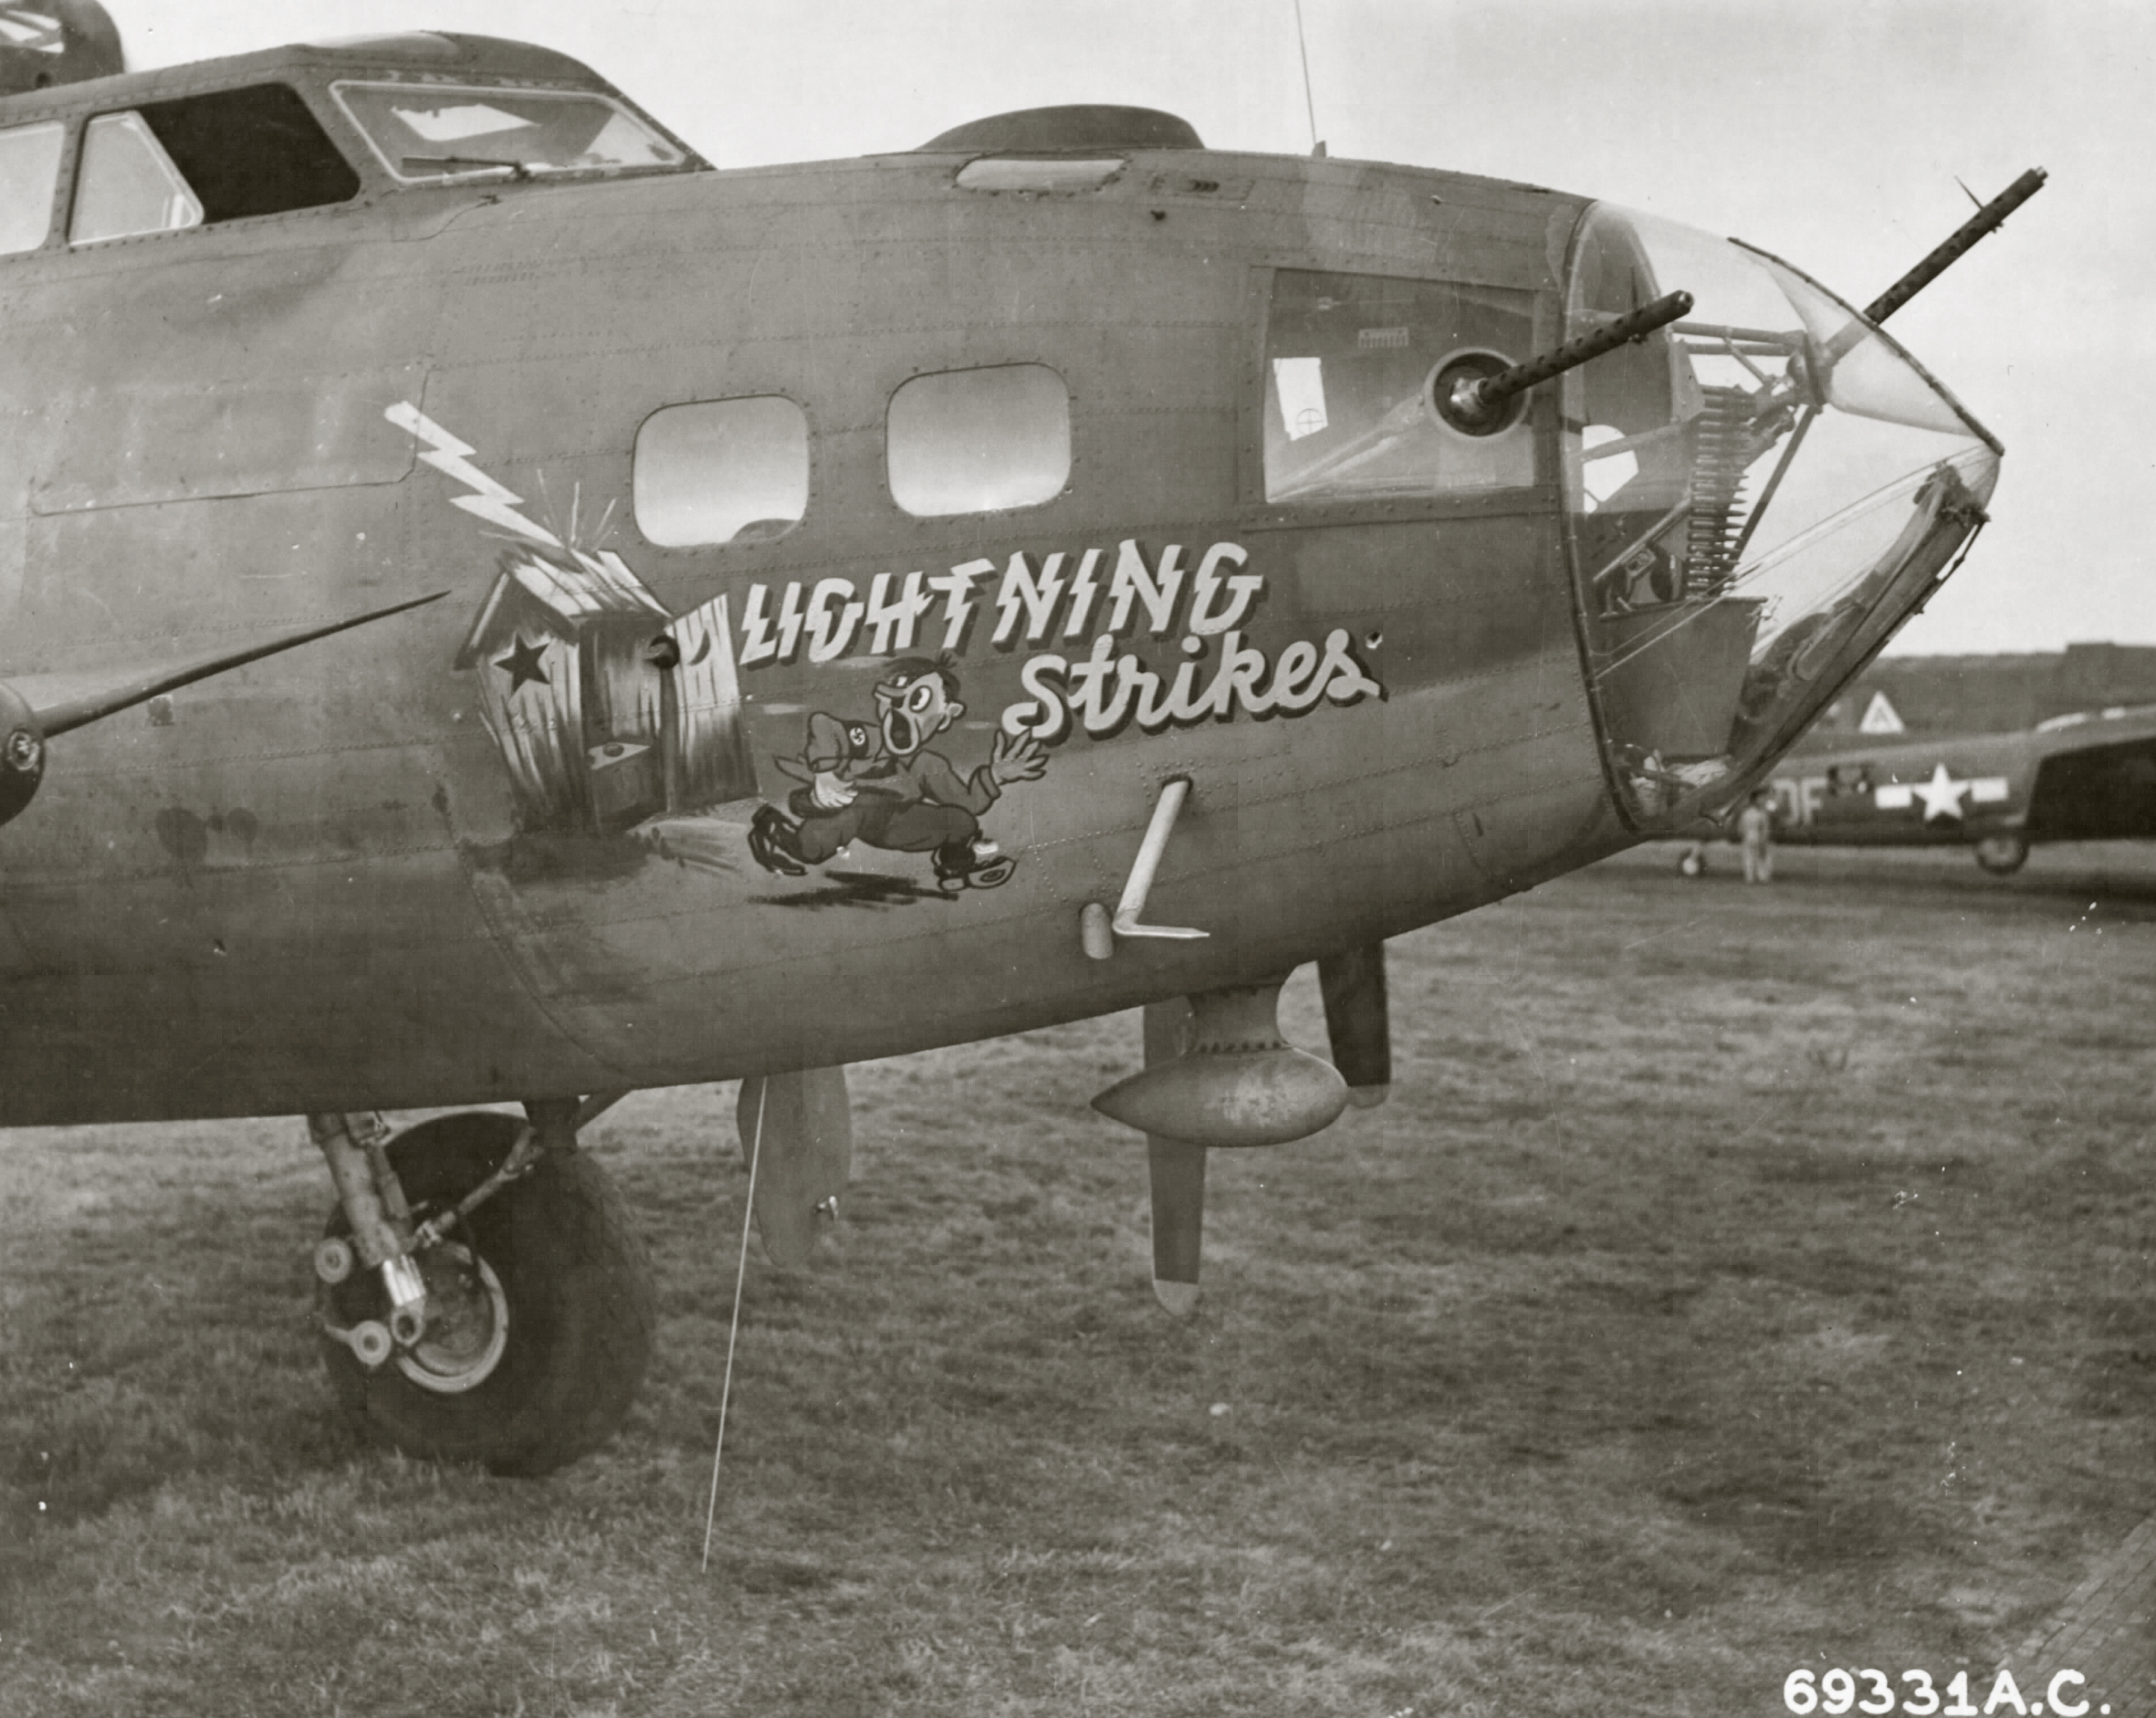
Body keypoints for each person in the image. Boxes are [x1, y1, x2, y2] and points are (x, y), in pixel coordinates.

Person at [1738, 789, 1775, 884]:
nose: (1763, 800)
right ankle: (1762, 877)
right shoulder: (1761, 813)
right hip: (1757, 835)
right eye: (1761, 798)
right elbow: (1765, 827)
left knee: (1750, 857)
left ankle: (1750, 877)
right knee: (1761, 857)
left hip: (1748, 836)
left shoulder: (1746, 812)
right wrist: (1764, 838)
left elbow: (1741, 827)